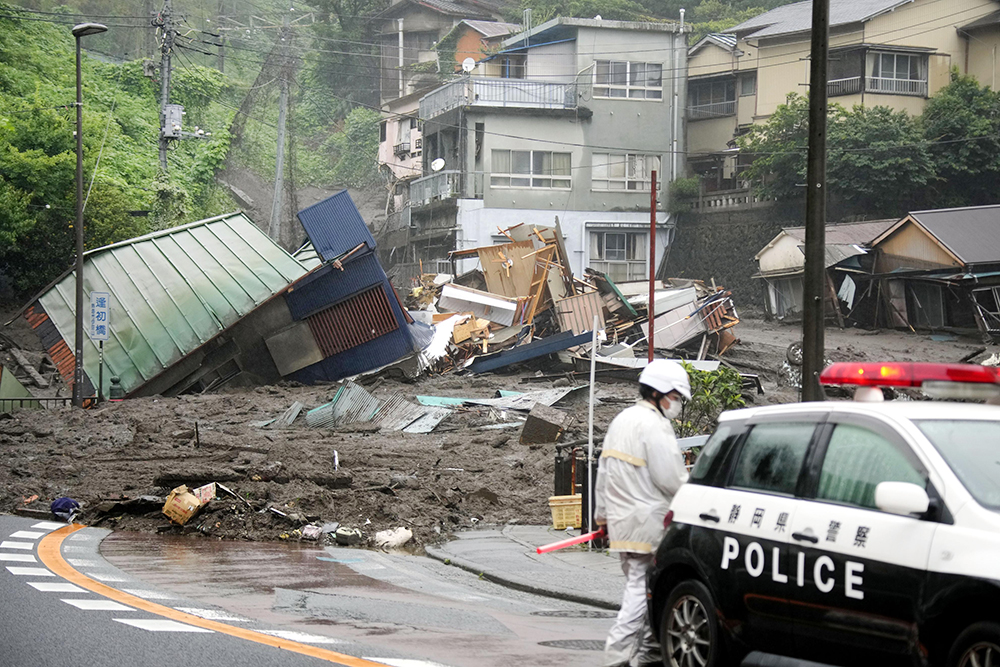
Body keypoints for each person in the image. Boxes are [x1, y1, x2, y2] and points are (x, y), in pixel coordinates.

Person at [595, 359, 691, 667]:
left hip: (624, 525)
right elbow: (672, 479)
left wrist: (601, 517)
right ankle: (617, 656)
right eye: (675, 397)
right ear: (659, 393)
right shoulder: (655, 425)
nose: (675, 404)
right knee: (641, 591)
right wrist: (695, 497)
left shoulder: (622, 420)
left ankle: (651, 653)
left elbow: (603, 473)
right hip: (648, 525)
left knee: (650, 590)